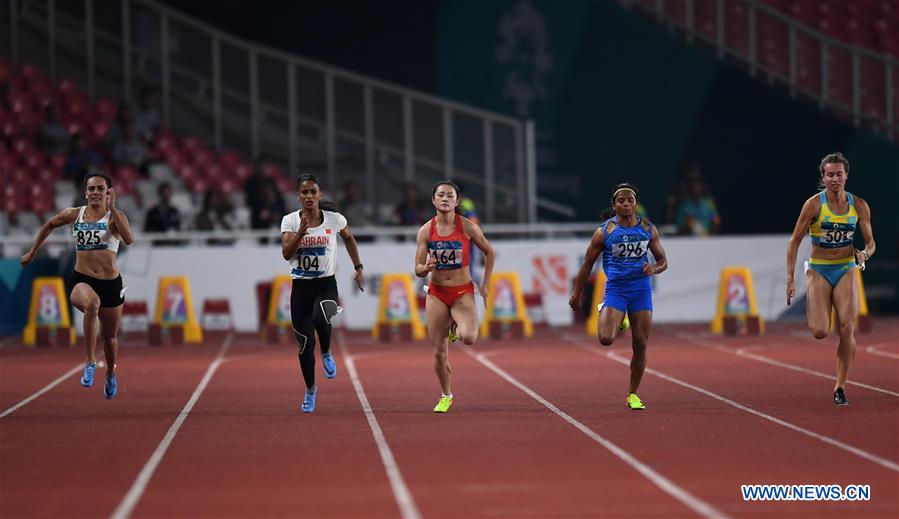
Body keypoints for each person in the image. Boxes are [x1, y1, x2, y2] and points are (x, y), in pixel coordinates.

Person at [20, 173, 133, 399]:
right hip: (82, 280)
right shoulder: (76, 214)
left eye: (100, 189)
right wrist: (33, 251)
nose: (95, 193)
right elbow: (50, 223)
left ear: (108, 192)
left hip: (111, 283)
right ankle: (90, 362)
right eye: (91, 189)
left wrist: (114, 208)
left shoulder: (115, 217)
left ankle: (110, 372)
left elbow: (128, 239)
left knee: (110, 340)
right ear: (85, 193)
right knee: (92, 304)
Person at [569, 183, 668, 411]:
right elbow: (587, 264)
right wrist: (576, 294)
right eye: (621, 201)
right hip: (616, 289)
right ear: (614, 205)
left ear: (636, 204)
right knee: (606, 339)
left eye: (630, 200)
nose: (626, 204)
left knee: (641, 343)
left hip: (641, 289)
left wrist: (654, 269)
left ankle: (633, 394)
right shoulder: (604, 232)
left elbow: (663, 260)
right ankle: (609, 310)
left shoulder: (648, 229)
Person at [786, 152, 875, 406]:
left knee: (847, 327)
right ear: (823, 177)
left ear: (846, 175)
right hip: (819, 268)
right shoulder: (814, 205)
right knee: (819, 331)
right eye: (829, 175)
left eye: (838, 174)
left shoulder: (859, 205)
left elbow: (871, 243)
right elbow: (794, 241)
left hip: (846, 267)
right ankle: (824, 303)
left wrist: (864, 254)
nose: (834, 179)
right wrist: (790, 278)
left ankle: (840, 387)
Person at [281, 174, 365, 413]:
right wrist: (300, 233)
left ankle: (327, 352)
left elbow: (349, 239)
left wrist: (358, 268)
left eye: (313, 192)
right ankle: (310, 391)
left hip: (326, 284)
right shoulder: (289, 221)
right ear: (298, 196)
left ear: (320, 195)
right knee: (305, 345)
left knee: (321, 317)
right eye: (304, 192)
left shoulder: (334, 219)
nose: (309, 196)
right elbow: (287, 254)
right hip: (300, 289)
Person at [414, 180, 495, 413]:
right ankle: (446, 395)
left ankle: (455, 328)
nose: (445, 199)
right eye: (440, 195)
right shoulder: (425, 231)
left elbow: (489, 251)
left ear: (456, 201)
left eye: (450, 196)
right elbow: (417, 268)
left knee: (469, 337)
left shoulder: (467, 227)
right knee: (439, 351)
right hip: (437, 293)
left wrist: (486, 284)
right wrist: (426, 267)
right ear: (433, 200)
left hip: (462, 293)